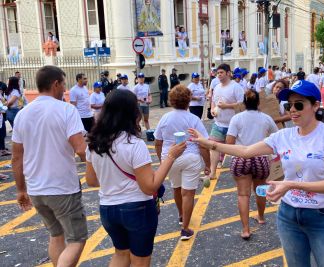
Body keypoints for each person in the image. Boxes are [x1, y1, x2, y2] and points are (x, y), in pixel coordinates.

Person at [189, 80, 324, 267]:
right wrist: (209, 144)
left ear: (315, 106)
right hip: (289, 216)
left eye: (299, 105)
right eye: (289, 105)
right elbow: (245, 151)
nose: (293, 110)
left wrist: (290, 185)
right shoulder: (283, 136)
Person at [85, 89, 186, 267]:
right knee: (140, 260)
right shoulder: (134, 143)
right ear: (132, 113)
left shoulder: (94, 142)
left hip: (108, 208)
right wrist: (171, 156)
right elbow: (150, 187)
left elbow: (92, 180)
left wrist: (114, 180)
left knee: (121, 254)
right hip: (137, 208)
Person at [12, 66, 88, 266]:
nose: (64, 89)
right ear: (56, 84)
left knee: (56, 234)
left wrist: (21, 190)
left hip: (37, 189)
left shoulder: (22, 114)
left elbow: (16, 158)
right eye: (63, 84)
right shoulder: (66, 110)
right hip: (62, 188)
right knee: (77, 239)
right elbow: (81, 149)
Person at [154, 85, 210, 240]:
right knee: (188, 193)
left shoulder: (165, 118)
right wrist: (208, 165)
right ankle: (185, 228)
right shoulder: (194, 119)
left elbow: (158, 142)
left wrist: (162, 161)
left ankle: (180, 215)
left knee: (176, 188)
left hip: (170, 158)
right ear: (188, 100)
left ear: (171, 100)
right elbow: (203, 144)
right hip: (190, 157)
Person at [227, 90, 278, 239]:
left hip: (241, 158)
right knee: (260, 190)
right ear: (258, 103)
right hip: (260, 158)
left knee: (243, 194)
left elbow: (229, 142)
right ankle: (261, 217)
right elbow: (276, 137)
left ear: (243, 103)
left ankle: (245, 229)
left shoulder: (236, 118)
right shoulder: (266, 118)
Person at [208, 63, 244, 180]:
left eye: (221, 73)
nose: (219, 75)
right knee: (213, 146)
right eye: (217, 73)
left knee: (236, 151)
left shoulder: (236, 87)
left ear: (228, 73)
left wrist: (227, 106)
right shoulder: (217, 87)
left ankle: (240, 173)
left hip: (233, 125)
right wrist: (213, 109)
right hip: (218, 123)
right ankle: (212, 172)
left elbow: (242, 105)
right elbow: (214, 101)